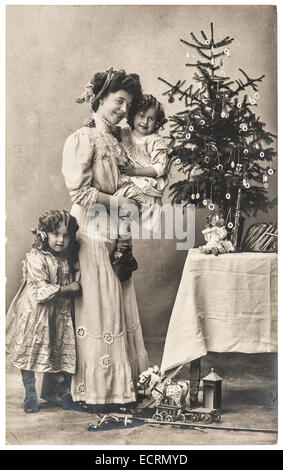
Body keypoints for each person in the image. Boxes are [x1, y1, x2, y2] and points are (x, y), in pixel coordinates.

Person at [59, 68, 149, 409]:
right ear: (100, 99)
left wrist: (135, 199)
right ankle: (97, 391)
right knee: (99, 307)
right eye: (119, 101)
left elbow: (128, 178)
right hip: (91, 231)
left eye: (128, 104)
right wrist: (119, 202)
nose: (124, 110)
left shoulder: (115, 140)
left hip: (115, 230)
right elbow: (79, 191)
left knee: (117, 303)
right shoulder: (81, 138)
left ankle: (121, 388)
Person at [6, 210, 81, 413]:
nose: (61, 240)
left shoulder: (66, 257)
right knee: (30, 351)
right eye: (56, 234)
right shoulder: (36, 257)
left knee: (55, 350)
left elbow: (73, 271)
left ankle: (63, 392)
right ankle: (30, 392)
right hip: (35, 312)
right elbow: (41, 291)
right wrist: (69, 288)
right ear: (44, 234)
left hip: (57, 312)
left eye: (66, 236)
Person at [113, 94, 168, 265]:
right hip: (130, 181)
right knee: (120, 210)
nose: (145, 122)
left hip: (144, 186)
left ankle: (122, 247)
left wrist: (135, 171)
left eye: (151, 118)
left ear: (157, 121)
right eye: (141, 116)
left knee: (118, 204)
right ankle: (124, 248)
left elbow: (160, 168)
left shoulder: (155, 141)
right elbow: (107, 132)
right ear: (132, 116)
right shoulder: (125, 134)